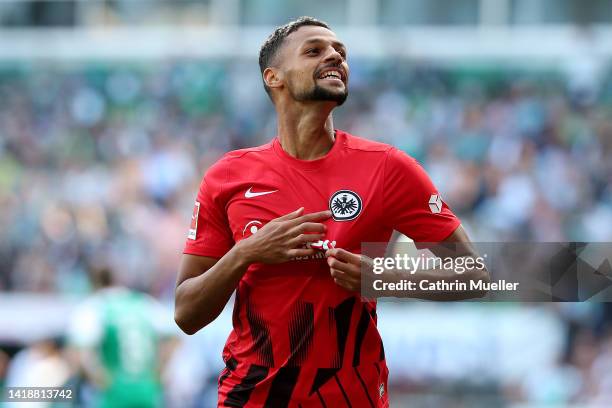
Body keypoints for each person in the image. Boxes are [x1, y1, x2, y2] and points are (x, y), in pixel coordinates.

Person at [175, 16, 489, 407]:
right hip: (251, 396)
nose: (335, 57)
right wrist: (246, 252)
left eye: (340, 52)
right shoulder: (228, 176)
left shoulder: (389, 167)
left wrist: (385, 276)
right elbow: (186, 314)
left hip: (350, 398)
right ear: (275, 78)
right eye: (314, 51)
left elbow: (475, 274)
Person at [67, 265, 176, 408]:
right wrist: (158, 372)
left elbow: (80, 353)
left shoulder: (94, 307)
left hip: (113, 394)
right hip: (147, 390)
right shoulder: (143, 302)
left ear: (93, 283)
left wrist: (99, 379)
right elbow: (174, 337)